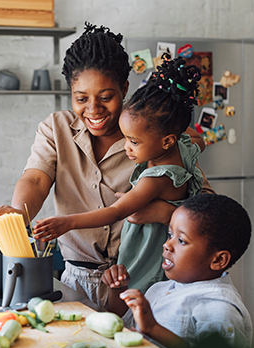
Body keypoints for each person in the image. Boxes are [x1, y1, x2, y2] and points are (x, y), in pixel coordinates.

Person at [0, 23, 214, 308]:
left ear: (124, 88)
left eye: (105, 97)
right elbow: (36, 180)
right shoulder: (56, 128)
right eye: (81, 98)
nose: (93, 110)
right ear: (71, 93)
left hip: (146, 279)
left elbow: (208, 207)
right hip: (76, 280)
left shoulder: (154, 136)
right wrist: (17, 215)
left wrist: (164, 213)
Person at [33, 54, 205, 295]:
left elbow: (116, 212)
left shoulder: (155, 174)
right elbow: (198, 139)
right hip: (85, 275)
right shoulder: (178, 148)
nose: (127, 147)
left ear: (124, 89)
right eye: (81, 98)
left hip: (139, 273)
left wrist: (67, 222)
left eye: (132, 141)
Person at [102, 194, 253, 348]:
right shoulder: (160, 289)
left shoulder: (219, 310)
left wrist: (153, 329)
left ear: (218, 260)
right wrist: (118, 289)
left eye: (181, 240)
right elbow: (123, 325)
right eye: (169, 235)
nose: (167, 245)